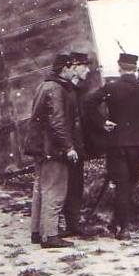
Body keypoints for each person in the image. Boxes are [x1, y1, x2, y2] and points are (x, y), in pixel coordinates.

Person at [84, 53, 139, 240]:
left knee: (122, 186)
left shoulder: (111, 87)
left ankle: (122, 227)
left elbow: (88, 103)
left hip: (118, 143)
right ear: (136, 68)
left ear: (120, 68)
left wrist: (102, 122)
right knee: (130, 184)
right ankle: (118, 223)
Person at [25, 54, 79, 249]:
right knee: (54, 191)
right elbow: (57, 122)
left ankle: (37, 232)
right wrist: (69, 147)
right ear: (65, 68)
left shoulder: (44, 85)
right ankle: (50, 236)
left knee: (40, 189)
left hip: (41, 149)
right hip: (53, 150)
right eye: (73, 67)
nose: (75, 70)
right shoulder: (57, 89)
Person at [61, 51, 92, 238]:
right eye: (84, 66)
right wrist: (69, 147)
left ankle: (73, 222)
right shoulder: (66, 92)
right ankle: (71, 224)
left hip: (77, 146)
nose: (88, 70)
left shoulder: (75, 90)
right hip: (70, 147)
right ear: (74, 67)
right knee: (71, 184)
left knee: (76, 184)